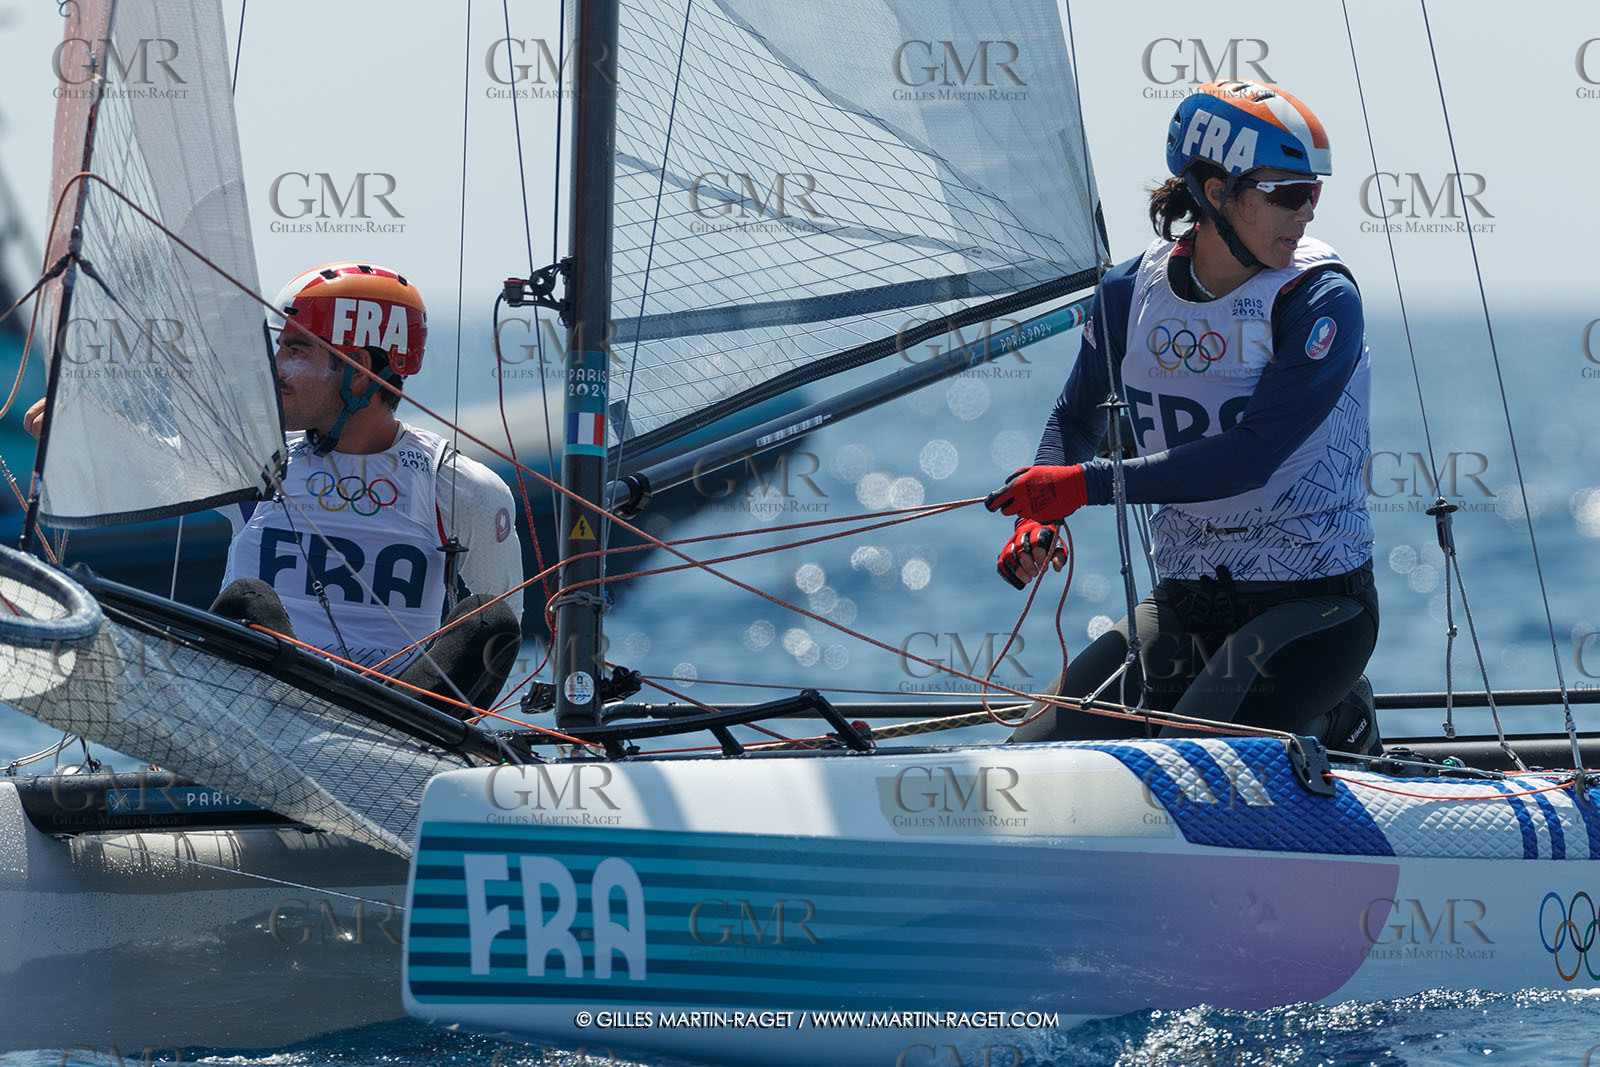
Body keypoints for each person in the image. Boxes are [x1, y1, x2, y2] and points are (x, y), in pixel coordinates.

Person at [985, 79, 1380, 753]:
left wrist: (1083, 485)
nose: (1305, 213)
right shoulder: (1126, 294)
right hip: (1188, 600)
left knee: (1183, 764)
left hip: (1312, 602)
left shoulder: (1318, 298)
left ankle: (1338, 714)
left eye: (1312, 192)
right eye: (1286, 192)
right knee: (1029, 761)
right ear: (1216, 193)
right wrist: (1039, 515)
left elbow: (1251, 457)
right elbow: (1077, 418)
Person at [28, 262, 525, 715]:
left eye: (295, 348)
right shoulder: (250, 459)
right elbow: (138, 460)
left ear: (359, 373)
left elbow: (497, 637)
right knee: (249, 601)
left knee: (492, 624)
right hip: (264, 724)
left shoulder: (463, 489)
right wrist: (73, 431)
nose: (276, 366)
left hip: (396, 724)